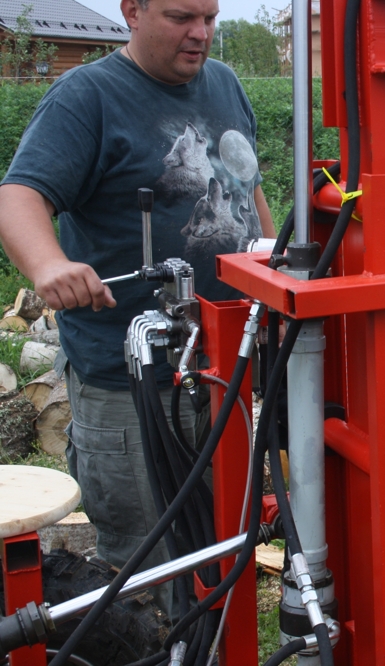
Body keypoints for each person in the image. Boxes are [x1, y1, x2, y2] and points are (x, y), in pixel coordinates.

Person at [0, 0, 275, 615]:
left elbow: (246, 190)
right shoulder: (87, 97)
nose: (200, 33)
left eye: (209, 16)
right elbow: (19, 195)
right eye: (181, 17)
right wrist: (49, 266)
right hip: (133, 389)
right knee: (148, 575)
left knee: (221, 552)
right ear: (131, 10)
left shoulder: (225, 83)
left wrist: (271, 269)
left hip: (223, 369)